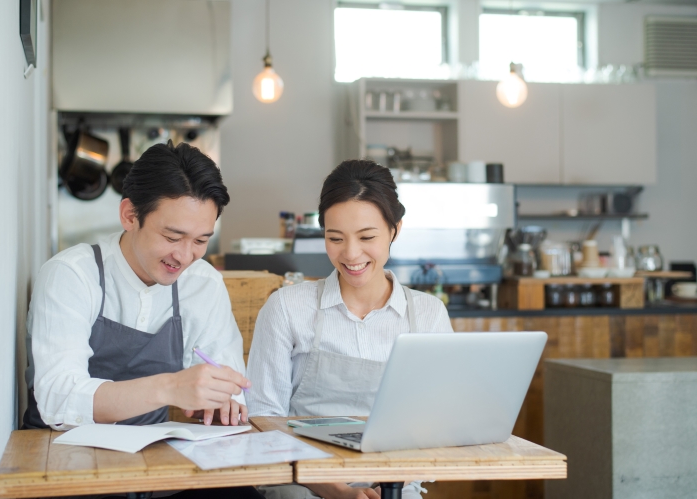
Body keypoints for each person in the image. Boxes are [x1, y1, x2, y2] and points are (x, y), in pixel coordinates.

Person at [23, 141, 260, 499]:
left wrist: (220, 400)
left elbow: (228, 387)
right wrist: (170, 387)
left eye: (200, 240)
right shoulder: (71, 275)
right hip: (66, 468)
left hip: (154, 467)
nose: (184, 256)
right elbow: (58, 400)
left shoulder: (202, 283)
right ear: (130, 215)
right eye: (172, 236)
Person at [246, 160, 454, 499]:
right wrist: (335, 490)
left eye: (367, 237)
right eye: (335, 238)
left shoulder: (428, 315)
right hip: (300, 482)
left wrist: (390, 485)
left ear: (395, 230)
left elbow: (438, 421)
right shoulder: (286, 307)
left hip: (394, 481)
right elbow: (264, 420)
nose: (351, 254)